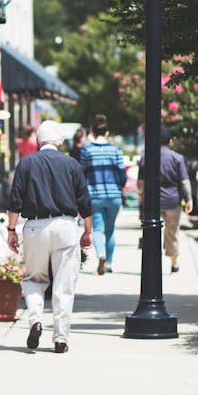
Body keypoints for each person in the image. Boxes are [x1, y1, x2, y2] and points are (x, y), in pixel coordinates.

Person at [7, 120, 93, 353]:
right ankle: (61, 339)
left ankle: (36, 320)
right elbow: (84, 202)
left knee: (34, 279)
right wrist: (88, 231)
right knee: (64, 285)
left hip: (35, 227)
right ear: (60, 142)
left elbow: (14, 201)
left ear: (38, 142)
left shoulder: (26, 164)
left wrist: (11, 230)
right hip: (65, 225)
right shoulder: (72, 164)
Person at [137, 126, 193, 273]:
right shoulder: (177, 158)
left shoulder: (146, 156)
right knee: (172, 232)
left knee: (152, 233)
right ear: (170, 141)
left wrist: (141, 194)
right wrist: (189, 200)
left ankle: (153, 264)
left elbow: (141, 180)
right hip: (173, 201)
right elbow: (184, 181)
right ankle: (174, 263)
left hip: (152, 202)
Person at [79, 114, 127, 275]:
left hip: (94, 195)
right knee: (110, 230)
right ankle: (109, 263)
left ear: (92, 131)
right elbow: (122, 175)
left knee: (97, 229)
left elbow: (81, 173)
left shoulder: (87, 150)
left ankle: (101, 255)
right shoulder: (116, 150)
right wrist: (119, 186)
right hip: (114, 195)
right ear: (107, 133)